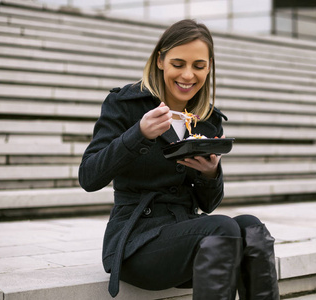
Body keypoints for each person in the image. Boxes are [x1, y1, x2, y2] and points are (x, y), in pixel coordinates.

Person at [79, 19, 279, 300]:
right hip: (137, 242)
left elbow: (208, 204)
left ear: (209, 67)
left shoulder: (207, 122)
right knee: (223, 228)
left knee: (250, 226)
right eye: (178, 64)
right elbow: (88, 177)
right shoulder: (125, 105)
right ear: (160, 60)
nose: (188, 75)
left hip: (187, 237)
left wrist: (211, 174)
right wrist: (138, 134)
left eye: (198, 66)